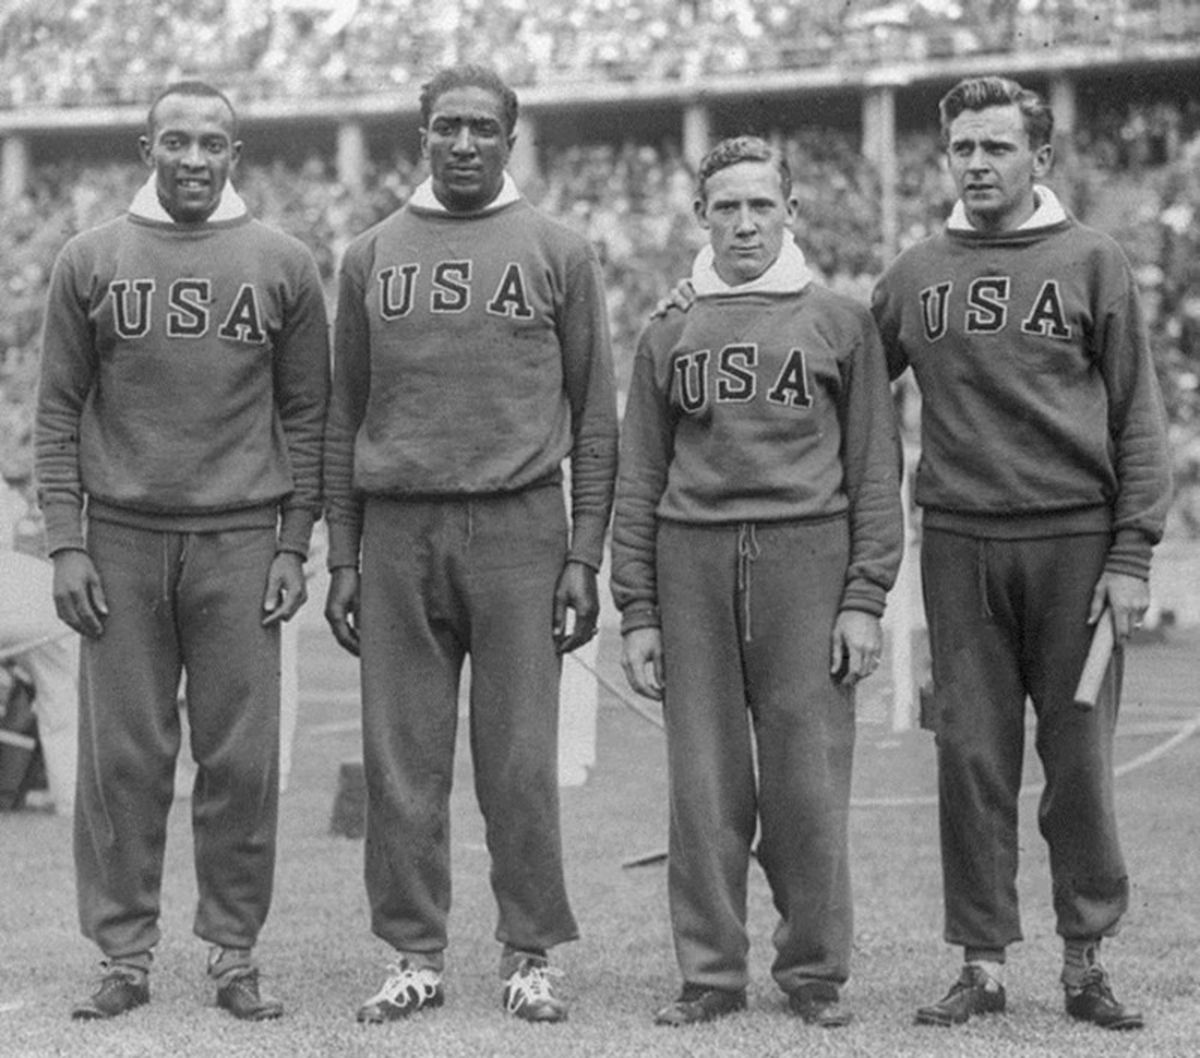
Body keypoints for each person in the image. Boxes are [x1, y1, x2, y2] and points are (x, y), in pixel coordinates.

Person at [871, 76, 1172, 1032]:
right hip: (960, 543)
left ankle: (1086, 961)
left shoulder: (1093, 260)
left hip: (1075, 543)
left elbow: (1139, 420)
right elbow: (840, 374)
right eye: (963, 147)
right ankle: (983, 963)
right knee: (969, 757)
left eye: (997, 147)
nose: (977, 163)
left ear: (1039, 158)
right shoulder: (916, 272)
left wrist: (1131, 556)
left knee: (1077, 760)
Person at [323, 64, 617, 1024]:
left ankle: (528, 953)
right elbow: (343, 415)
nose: (462, 143)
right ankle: (414, 953)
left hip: (520, 525)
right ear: (421, 136)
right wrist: (342, 557)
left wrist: (583, 557)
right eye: (445, 126)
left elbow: (597, 419)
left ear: (510, 137)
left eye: (481, 128)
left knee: (519, 761)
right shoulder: (369, 253)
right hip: (400, 525)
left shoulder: (558, 250)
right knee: (400, 759)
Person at [35, 81, 330, 1022]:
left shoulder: (282, 261)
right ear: (146, 147)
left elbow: (310, 415)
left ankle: (233, 952)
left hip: (241, 537)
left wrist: (295, 541)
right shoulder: (90, 257)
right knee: (123, 759)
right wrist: (65, 542)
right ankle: (124, 954)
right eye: (177, 142)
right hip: (120, 536)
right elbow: (55, 412)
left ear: (236, 154)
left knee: (240, 761)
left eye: (212, 144)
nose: (194, 160)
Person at [611, 136, 904, 1028]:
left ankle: (813, 969)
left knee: (808, 783)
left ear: (792, 213)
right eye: (726, 206)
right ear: (702, 215)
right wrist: (638, 611)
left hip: (806, 560)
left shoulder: (841, 323)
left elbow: (873, 472)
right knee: (703, 786)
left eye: (761, 205)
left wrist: (864, 596)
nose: (744, 222)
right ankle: (710, 972)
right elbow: (639, 475)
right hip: (690, 558)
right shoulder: (669, 327)